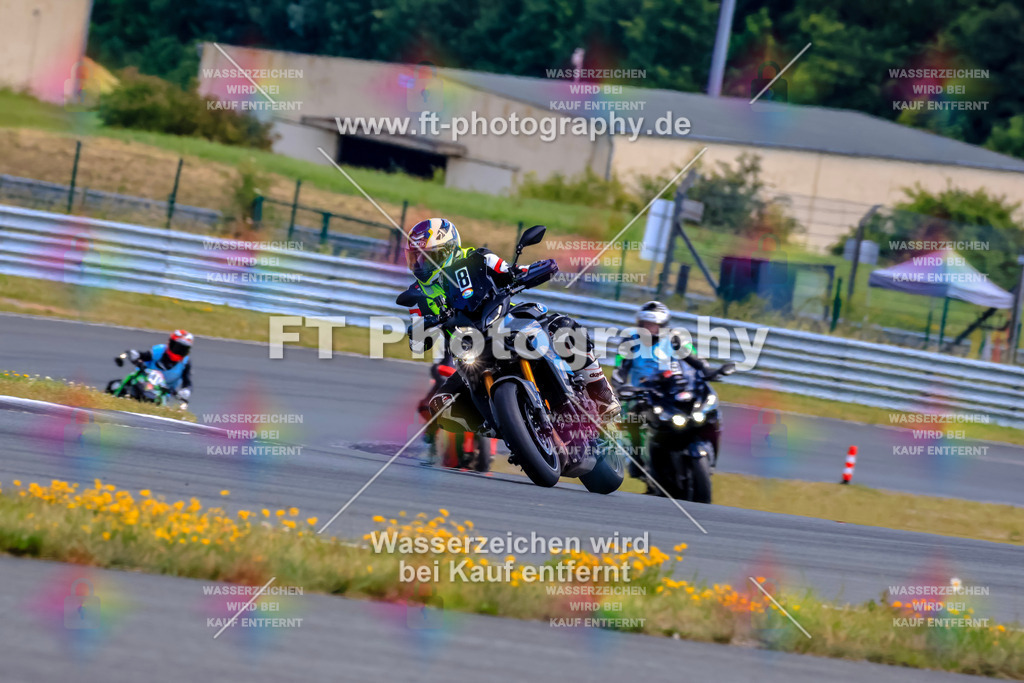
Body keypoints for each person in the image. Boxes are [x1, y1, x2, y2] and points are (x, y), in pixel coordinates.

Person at [399, 218, 619, 429]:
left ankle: (599, 390)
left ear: (447, 251)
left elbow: (512, 272)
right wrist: (417, 332)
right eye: (415, 258)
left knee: (562, 326)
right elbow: (419, 342)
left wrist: (535, 270)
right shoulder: (416, 294)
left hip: (504, 320)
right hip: (468, 348)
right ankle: (500, 426)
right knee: (440, 405)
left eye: (427, 257)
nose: (420, 264)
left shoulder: (479, 258)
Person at [611, 301, 711, 477]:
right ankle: (637, 459)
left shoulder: (676, 339)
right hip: (641, 393)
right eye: (645, 325)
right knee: (632, 418)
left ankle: (701, 444)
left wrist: (708, 371)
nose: (649, 329)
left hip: (670, 391)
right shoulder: (630, 342)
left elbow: (695, 361)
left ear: (663, 325)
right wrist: (619, 387)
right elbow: (620, 369)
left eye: (653, 325)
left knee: (700, 408)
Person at [116, 329, 193, 400]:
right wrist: (135, 355)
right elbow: (144, 355)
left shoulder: (185, 363)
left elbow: (187, 382)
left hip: (163, 392)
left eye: (183, 350)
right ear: (170, 343)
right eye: (177, 347)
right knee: (123, 383)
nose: (179, 351)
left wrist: (186, 391)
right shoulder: (159, 350)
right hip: (143, 381)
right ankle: (116, 393)